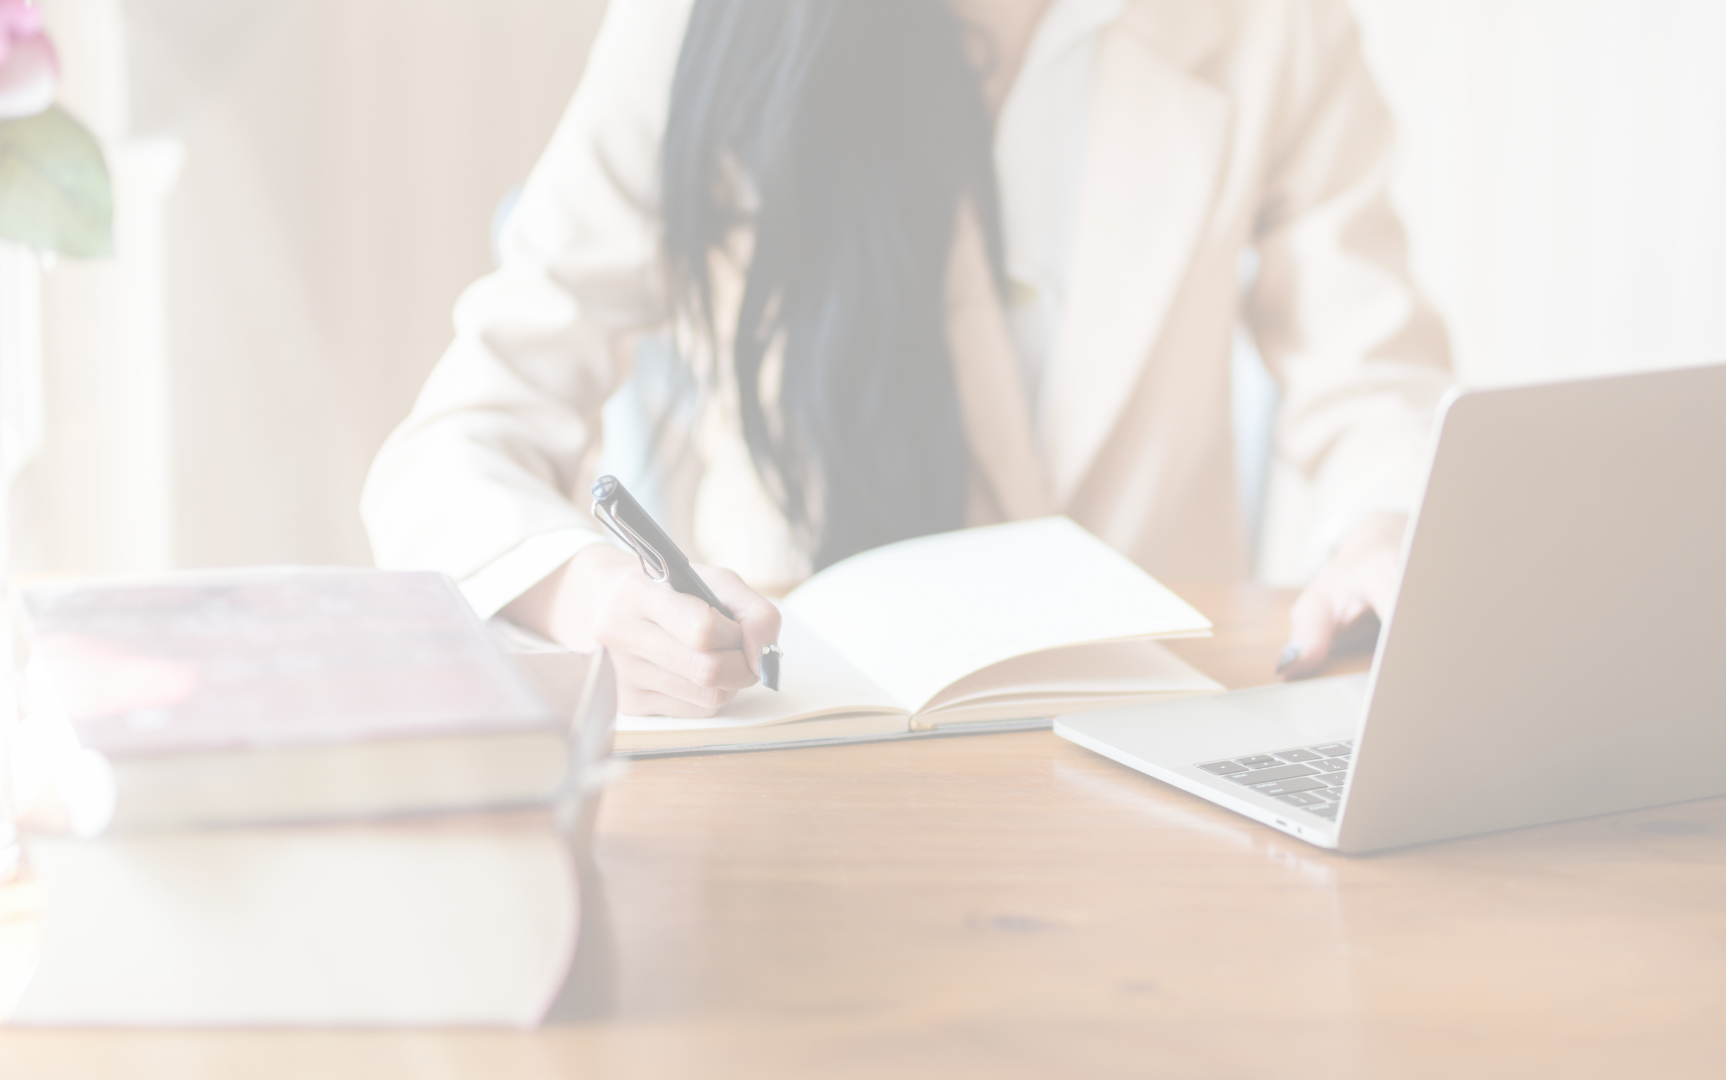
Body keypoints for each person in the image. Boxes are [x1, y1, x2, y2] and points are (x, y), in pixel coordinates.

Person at [363, 0, 1454, 718]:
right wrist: (593, 599)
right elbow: (452, 450)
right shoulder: (701, 25)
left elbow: (1373, 382)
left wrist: (1380, 528)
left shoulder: (1272, 26)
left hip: (1154, 736)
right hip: (809, 744)